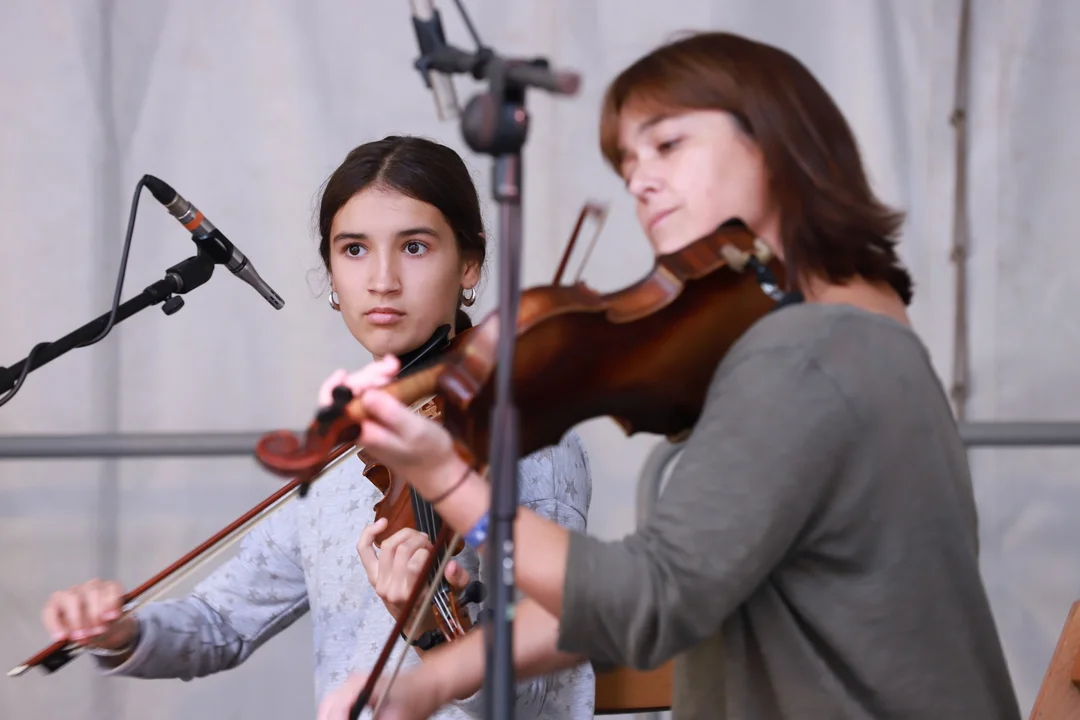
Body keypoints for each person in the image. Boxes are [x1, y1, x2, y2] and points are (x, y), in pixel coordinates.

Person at [315, 32, 1023, 720]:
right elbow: (681, 575)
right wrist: (436, 680)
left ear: (776, 142)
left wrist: (444, 476)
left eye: (668, 144)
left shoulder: (801, 354)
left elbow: (645, 601)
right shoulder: (866, 329)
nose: (639, 180)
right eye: (628, 161)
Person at [37, 135, 596, 718]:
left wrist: (431, 633)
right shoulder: (347, 447)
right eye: (354, 250)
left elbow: (540, 694)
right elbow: (223, 620)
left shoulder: (529, 436)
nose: (382, 280)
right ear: (331, 272)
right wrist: (121, 632)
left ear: (469, 263)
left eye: (414, 247)